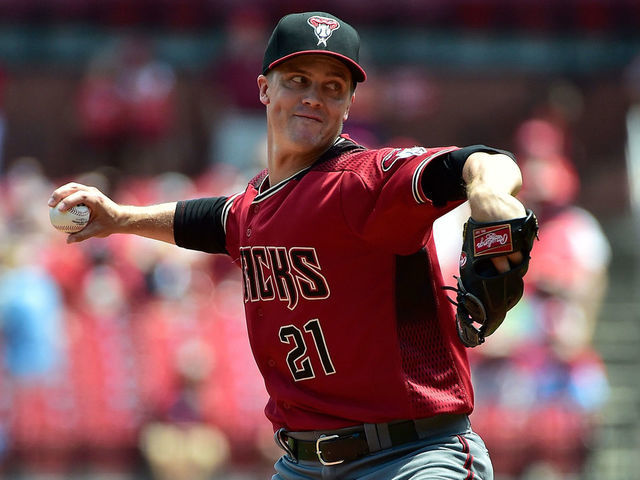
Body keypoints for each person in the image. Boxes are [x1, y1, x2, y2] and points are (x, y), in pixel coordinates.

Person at [49, 11, 529, 480]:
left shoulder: (364, 183)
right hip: (300, 464)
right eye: (298, 79)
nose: (313, 97)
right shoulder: (257, 205)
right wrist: (120, 218)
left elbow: (478, 161)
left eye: (332, 87)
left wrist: (488, 190)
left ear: (348, 105)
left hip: (411, 456)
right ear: (264, 88)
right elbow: (212, 221)